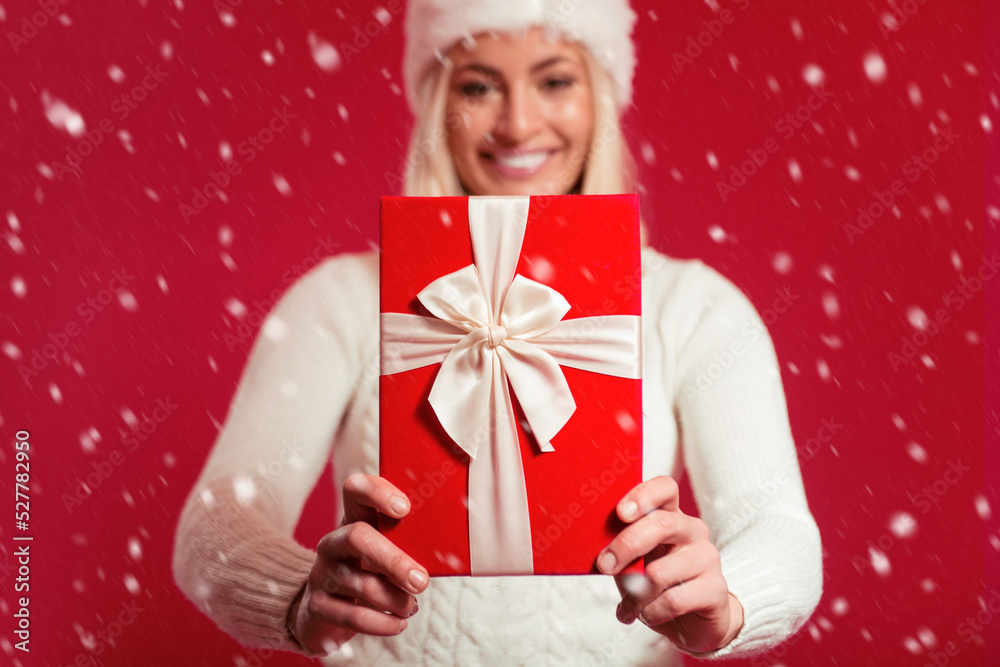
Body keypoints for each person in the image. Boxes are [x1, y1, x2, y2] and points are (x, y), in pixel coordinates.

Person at [172, 1, 824, 664]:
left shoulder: (695, 308)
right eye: (479, 86)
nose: (517, 123)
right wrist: (298, 596)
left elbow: (776, 526)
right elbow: (214, 521)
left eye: (555, 80)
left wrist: (728, 600)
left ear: (599, 95)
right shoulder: (342, 299)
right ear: (438, 104)